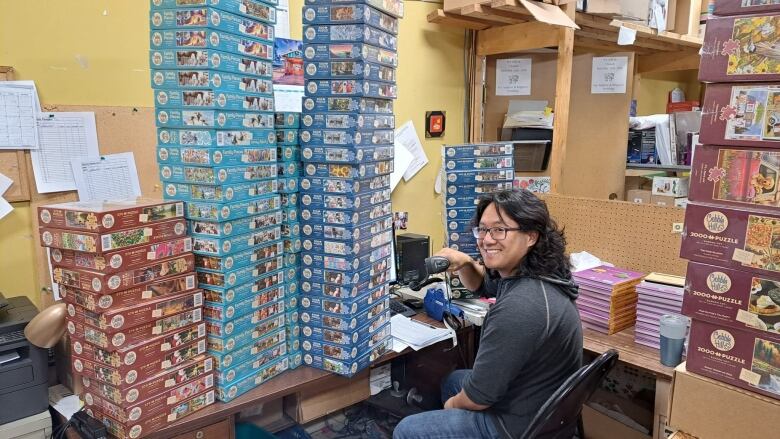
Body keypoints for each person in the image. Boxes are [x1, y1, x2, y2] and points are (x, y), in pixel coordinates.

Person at [393, 189, 582, 439]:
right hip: (543, 405)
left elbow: (478, 398)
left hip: (518, 427)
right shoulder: (538, 275)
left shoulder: (520, 307)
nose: (487, 240)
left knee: (407, 430)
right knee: (453, 380)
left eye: (499, 230)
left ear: (531, 236)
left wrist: (449, 409)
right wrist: (465, 263)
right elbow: (483, 285)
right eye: (482, 230)